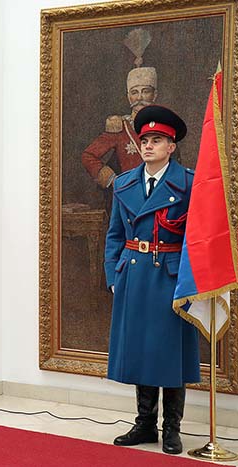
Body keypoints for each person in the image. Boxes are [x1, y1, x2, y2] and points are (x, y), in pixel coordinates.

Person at [104, 105, 199, 455]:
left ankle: (171, 428)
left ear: (171, 147)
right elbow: (115, 234)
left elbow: (195, 237)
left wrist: (190, 281)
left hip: (171, 277)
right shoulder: (124, 183)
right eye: (145, 140)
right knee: (141, 351)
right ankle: (144, 424)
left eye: (156, 140)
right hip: (134, 275)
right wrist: (113, 274)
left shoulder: (187, 183)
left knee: (169, 354)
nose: (148, 146)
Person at [81, 67, 158, 190]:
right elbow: (88, 156)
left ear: (154, 95)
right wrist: (112, 180)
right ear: (128, 97)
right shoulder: (119, 127)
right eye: (134, 92)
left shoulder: (165, 125)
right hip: (128, 194)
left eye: (145, 91)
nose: (139, 98)